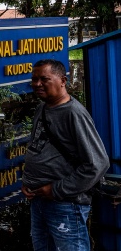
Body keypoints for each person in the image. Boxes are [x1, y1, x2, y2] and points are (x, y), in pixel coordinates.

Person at [22, 59, 109, 251]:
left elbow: (98, 164)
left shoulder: (73, 113)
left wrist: (56, 189)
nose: (37, 84)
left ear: (63, 80)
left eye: (44, 79)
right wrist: (29, 182)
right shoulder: (43, 108)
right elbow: (39, 148)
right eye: (34, 79)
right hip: (38, 200)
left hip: (66, 206)